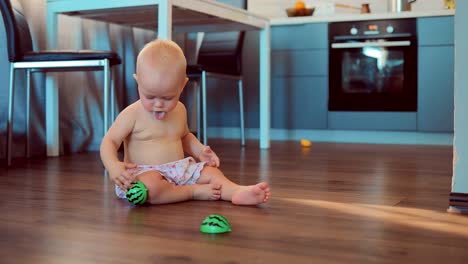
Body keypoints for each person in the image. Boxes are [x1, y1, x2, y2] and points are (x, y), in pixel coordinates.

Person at [100, 39, 271, 205]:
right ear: (138, 82)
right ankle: (192, 192)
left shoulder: (180, 110)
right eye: (150, 96)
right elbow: (110, 141)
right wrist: (113, 166)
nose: (158, 104)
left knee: (211, 172)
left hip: (179, 171)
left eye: (168, 98)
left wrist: (199, 151)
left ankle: (237, 191)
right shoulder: (132, 114)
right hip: (143, 175)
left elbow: (184, 136)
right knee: (150, 186)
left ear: (182, 86)